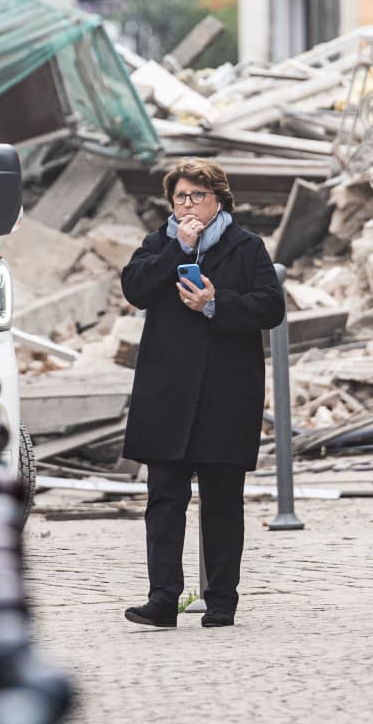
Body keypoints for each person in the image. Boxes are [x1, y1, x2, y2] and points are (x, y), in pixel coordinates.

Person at [119, 159, 285, 628]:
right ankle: (162, 600)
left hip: (225, 394)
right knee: (164, 500)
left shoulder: (246, 247)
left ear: (219, 200)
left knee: (222, 502)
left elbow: (271, 306)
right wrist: (180, 248)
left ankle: (221, 601)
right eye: (180, 198)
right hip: (167, 392)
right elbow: (136, 288)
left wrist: (216, 304)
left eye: (197, 197)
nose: (188, 206)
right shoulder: (159, 243)